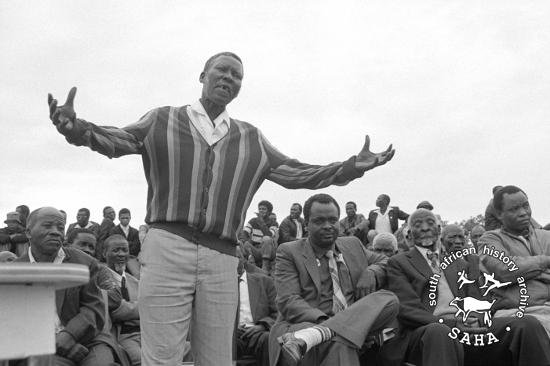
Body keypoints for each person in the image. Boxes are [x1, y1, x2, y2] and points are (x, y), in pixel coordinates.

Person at [47, 51, 395, 366]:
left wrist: (349, 167)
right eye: (222, 71)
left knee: (217, 359)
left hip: (222, 256)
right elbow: (117, 139)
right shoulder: (162, 120)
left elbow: (298, 173)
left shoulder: (251, 139)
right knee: (163, 356)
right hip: (168, 245)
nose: (230, 78)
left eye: (237, 76)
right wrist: (76, 129)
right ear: (203, 75)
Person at [384, 208, 550, 366]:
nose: (425, 228)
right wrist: (451, 324)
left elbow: (477, 298)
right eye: (418, 225)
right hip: (427, 330)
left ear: (439, 230)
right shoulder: (399, 263)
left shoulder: (458, 263)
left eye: (429, 223)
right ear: (409, 234)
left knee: (526, 325)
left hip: (466, 326)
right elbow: (407, 309)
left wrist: (475, 319)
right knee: (440, 331)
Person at [270, 193, 398, 366]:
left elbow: (385, 261)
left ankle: (327, 333)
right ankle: (327, 332)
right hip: (304, 326)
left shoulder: (352, 244)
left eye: (332, 220)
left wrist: (371, 272)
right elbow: (289, 301)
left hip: (348, 325)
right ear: (306, 224)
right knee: (341, 344)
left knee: (389, 299)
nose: (327, 226)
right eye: (319, 221)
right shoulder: (288, 251)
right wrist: (330, 324)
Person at [16, 207, 118, 366]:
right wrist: (55, 342)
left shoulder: (84, 263)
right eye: (48, 226)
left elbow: (93, 308)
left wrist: (70, 334)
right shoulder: (14, 272)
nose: (56, 232)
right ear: (28, 232)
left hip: (88, 341)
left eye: (60, 228)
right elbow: (14, 322)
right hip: (38, 345)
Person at [479, 185, 550, 336]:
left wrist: (524, 270)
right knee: (534, 328)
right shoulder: (490, 239)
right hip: (516, 313)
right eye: (514, 209)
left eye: (526, 206)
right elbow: (505, 270)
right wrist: (544, 262)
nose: (524, 213)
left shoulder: (546, 236)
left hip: (547, 309)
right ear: (499, 214)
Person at [101, 235, 141, 366]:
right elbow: (116, 312)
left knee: (190, 351)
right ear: (104, 253)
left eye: (125, 250)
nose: (121, 254)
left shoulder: (135, 282)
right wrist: (146, 307)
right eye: (116, 250)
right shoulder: (100, 279)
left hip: (147, 334)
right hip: (121, 337)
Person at [236, 246, 277, 366]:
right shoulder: (218, 286)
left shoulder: (265, 282)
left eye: (237, 257)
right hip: (233, 333)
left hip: (259, 331)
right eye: (229, 257)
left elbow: (277, 312)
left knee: (268, 339)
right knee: (225, 341)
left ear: (245, 259)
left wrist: (262, 326)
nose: (233, 260)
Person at [242, 200, 279, 272]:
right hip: (256, 249)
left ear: (269, 211)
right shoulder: (253, 221)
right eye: (260, 209)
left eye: (264, 209)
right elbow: (245, 233)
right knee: (246, 243)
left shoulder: (273, 223)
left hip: (268, 250)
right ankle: (252, 264)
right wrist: (243, 241)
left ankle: (265, 266)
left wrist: (261, 222)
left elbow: (269, 235)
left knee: (266, 239)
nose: (261, 210)